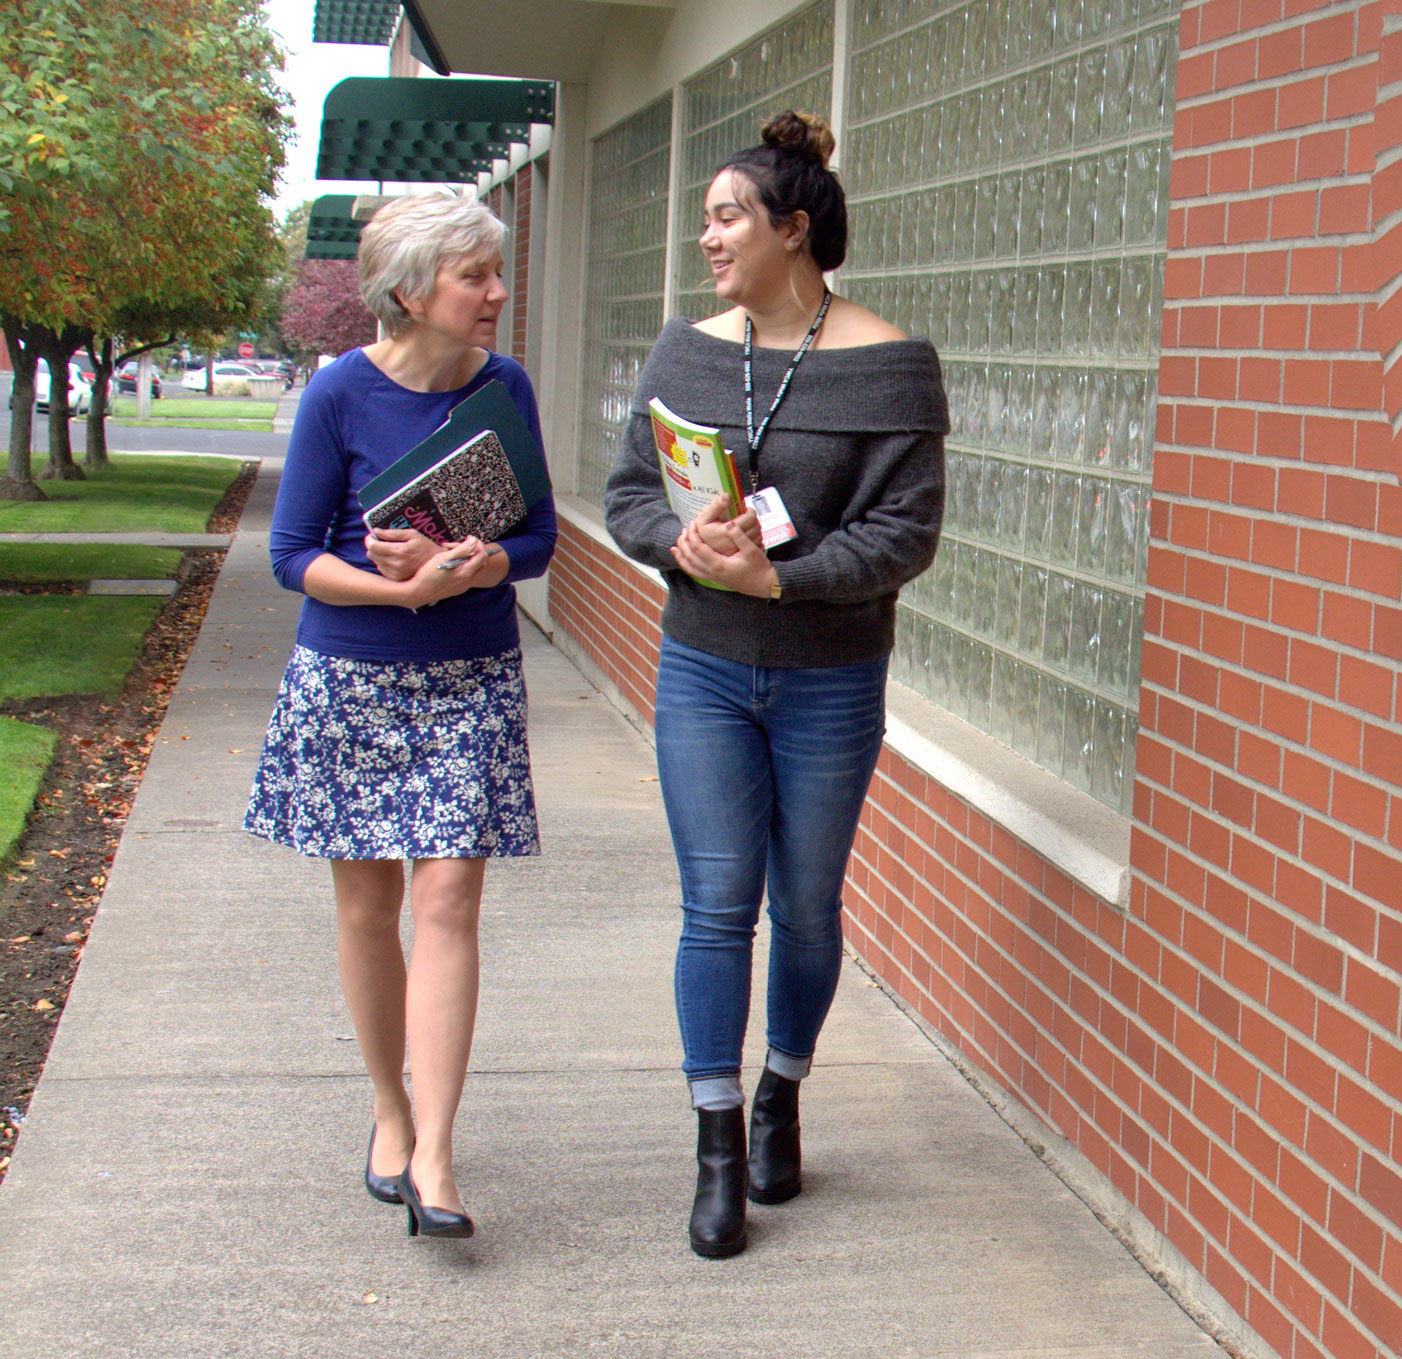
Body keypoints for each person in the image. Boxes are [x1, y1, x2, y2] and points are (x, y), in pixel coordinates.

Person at [604, 110, 947, 1259]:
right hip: (701, 669)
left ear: (793, 230)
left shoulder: (894, 366)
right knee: (715, 906)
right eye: (704, 218)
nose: (707, 238)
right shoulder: (684, 352)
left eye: (726, 217)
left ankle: (779, 1098)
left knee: (804, 906)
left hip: (829, 681)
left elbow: (904, 536)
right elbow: (626, 497)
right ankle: (714, 1151)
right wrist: (681, 545)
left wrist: (778, 583)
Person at [243, 194, 558, 1241]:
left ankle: (437, 1151)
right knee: (368, 910)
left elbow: (541, 538)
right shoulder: (339, 394)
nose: (498, 294)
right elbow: (294, 557)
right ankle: (389, 1109)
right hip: (353, 678)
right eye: (476, 276)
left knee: (452, 901)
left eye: (496, 272)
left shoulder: (503, 387)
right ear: (412, 289)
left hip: (471, 676)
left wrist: (471, 565)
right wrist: (401, 590)